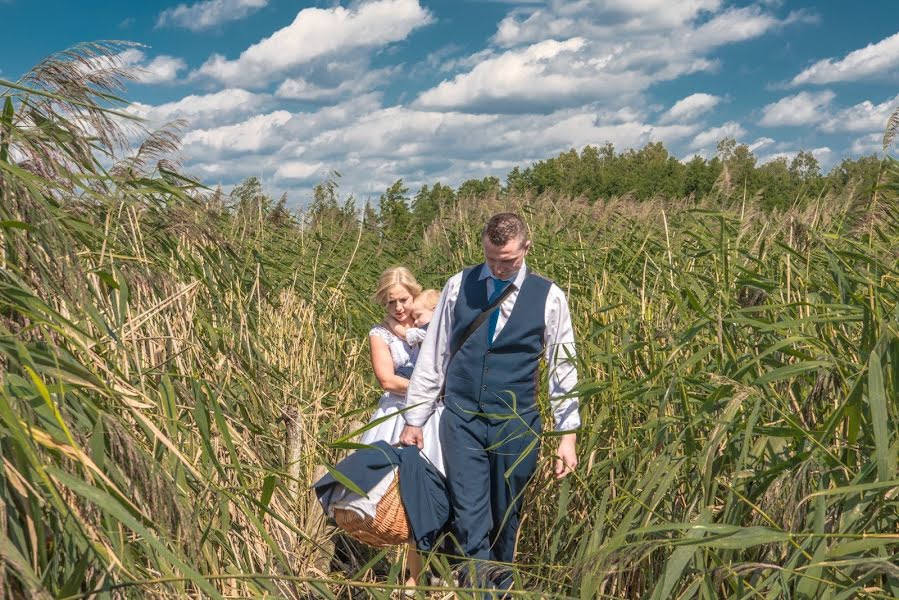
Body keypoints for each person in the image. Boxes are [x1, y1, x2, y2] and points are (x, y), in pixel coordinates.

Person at [399, 213, 580, 592]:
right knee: (469, 515)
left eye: (508, 260)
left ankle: (501, 588)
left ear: (526, 249)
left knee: (506, 513)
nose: (498, 268)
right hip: (462, 419)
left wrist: (567, 436)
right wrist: (414, 420)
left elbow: (562, 368)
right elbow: (434, 357)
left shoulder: (549, 296)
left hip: (516, 425)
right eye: (491, 258)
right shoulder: (457, 286)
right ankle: (478, 591)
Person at [360, 267, 445, 588]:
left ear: (415, 295)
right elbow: (387, 378)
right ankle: (413, 576)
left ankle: (443, 570)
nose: (398, 307)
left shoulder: (431, 323)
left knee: (440, 488)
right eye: (391, 302)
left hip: (436, 412)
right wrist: (429, 388)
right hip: (399, 412)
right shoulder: (379, 334)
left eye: (403, 300)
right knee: (404, 495)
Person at [391, 288, 440, 378]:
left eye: (419, 316)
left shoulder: (431, 330)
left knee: (403, 373)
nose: (416, 322)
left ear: (436, 310)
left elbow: (405, 334)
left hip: (427, 370)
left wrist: (391, 321)